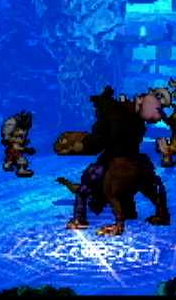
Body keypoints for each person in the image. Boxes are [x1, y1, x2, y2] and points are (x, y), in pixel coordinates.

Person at [56, 86, 169, 233]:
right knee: (149, 185)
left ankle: (80, 219)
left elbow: (97, 143)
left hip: (115, 160)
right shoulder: (137, 120)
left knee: (85, 187)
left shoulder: (111, 114)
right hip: (136, 160)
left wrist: (82, 145)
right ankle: (148, 213)